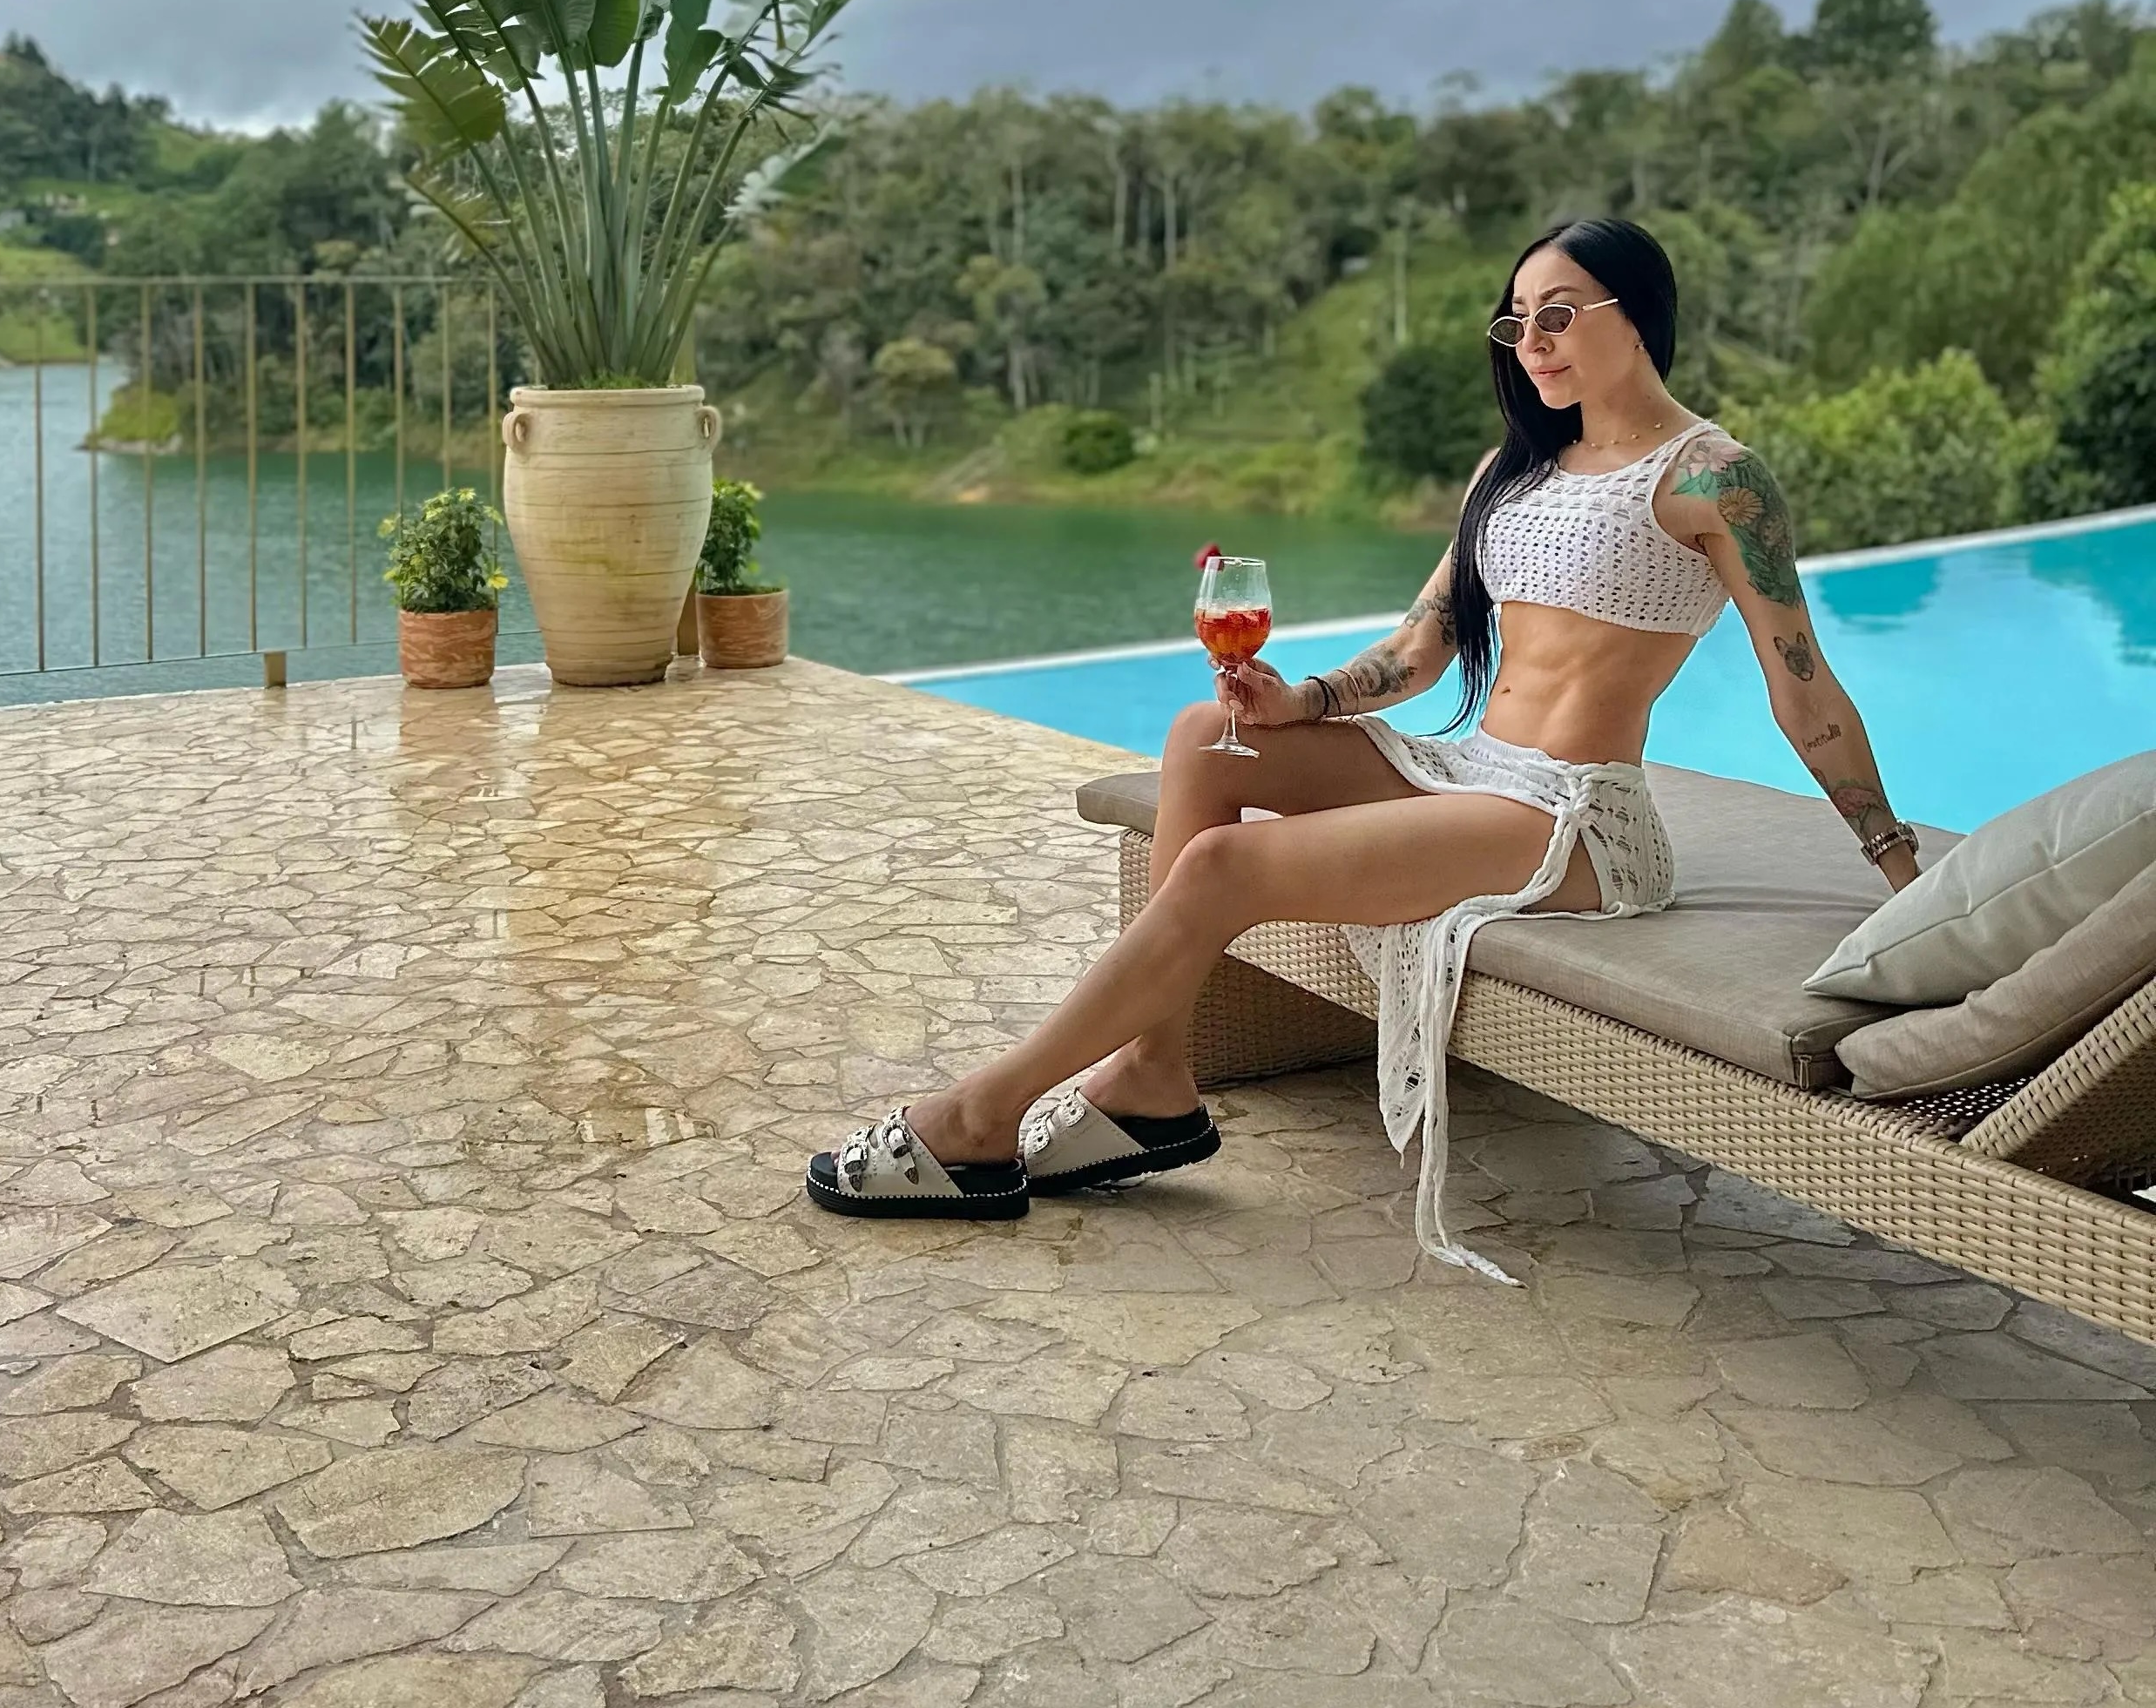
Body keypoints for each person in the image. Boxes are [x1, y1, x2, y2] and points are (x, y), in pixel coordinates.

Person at [806, 216, 1924, 1275]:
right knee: (1206, 736)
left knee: (1223, 865)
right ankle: (1152, 1073)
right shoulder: (1512, 470)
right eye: (1517, 321)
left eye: (1559, 314)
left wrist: (1897, 865)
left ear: (1639, 316)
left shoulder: (1713, 479)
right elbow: (1421, 648)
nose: (1532, 342)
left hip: (1573, 822)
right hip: (1475, 775)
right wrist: (1300, 700)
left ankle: (981, 1114)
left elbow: (1806, 692)